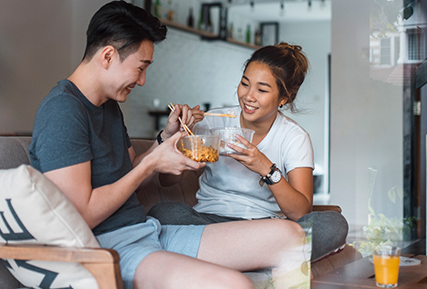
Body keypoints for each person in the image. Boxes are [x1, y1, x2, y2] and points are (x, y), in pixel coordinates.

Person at [29, 0, 307, 289]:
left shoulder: (108, 106)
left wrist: (165, 139)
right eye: (141, 68)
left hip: (147, 233)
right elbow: (78, 215)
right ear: (108, 56)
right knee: (234, 285)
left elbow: (131, 174)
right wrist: (151, 162)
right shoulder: (63, 110)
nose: (143, 80)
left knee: (291, 236)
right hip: (110, 249)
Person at [148, 43, 349, 262]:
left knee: (333, 224)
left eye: (262, 90)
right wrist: (182, 142)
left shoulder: (294, 137)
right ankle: (259, 259)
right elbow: (167, 181)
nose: (248, 96)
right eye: (245, 84)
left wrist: (266, 168)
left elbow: (301, 212)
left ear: (284, 98)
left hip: (265, 228)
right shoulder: (210, 122)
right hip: (208, 223)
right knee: (163, 212)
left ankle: (217, 257)